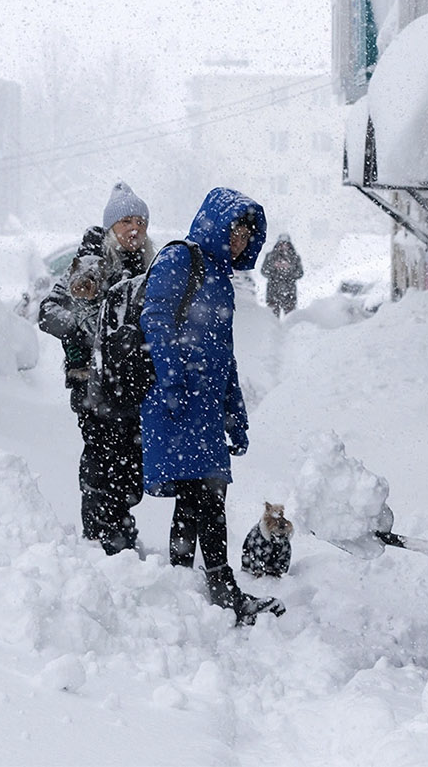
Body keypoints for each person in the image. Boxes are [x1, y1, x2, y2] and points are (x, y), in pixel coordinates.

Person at [140, 187, 285, 625]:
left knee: (199, 497)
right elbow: (156, 319)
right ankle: (219, 589)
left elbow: (224, 354)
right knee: (203, 496)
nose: (240, 238)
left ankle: (186, 585)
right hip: (176, 403)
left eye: (247, 232)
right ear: (216, 224)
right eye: (235, 228)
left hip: (202, 407)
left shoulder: (222, 280)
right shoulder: (180, 259)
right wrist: (170, 380)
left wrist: (234, 412)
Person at [38, 182, 152, 555]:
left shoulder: (149, 269)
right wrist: (86, 330)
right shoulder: (89, 263)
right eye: (125, 222)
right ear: (110, 229)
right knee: (103, 461)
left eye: (140, 222)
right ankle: (102, 536)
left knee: (131, 464)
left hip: (132, 388)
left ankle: (119, 529)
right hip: (92, 387)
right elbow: (48, 313)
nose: (134, 229)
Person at [261, 234, 304, 317]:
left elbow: (300, 273)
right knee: (271, 318)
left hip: (289, 293)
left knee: (291, 318)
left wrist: (289, 269)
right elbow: (264, 271)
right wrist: (274, 267)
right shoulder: (270, 256)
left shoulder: (295, 257)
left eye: (286, 244)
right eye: (281, 244)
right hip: (273, 292)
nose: (284, 247)